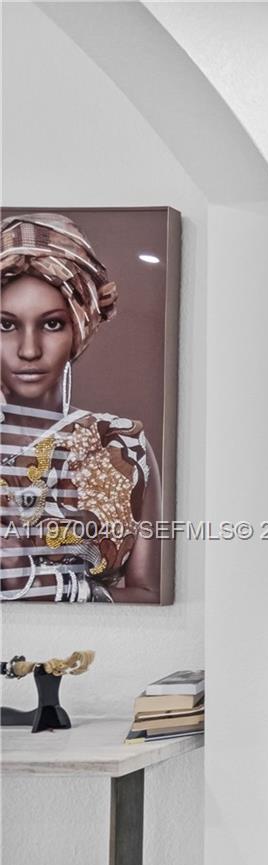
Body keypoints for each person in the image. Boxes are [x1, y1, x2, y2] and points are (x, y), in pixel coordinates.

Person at [0, 213, 162, 602]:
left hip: (97, 638)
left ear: (78, 328)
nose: (29, 350)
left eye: (52, 324)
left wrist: (46, 588)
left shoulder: (121, 445)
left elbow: (148, 593)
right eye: (6, 325)